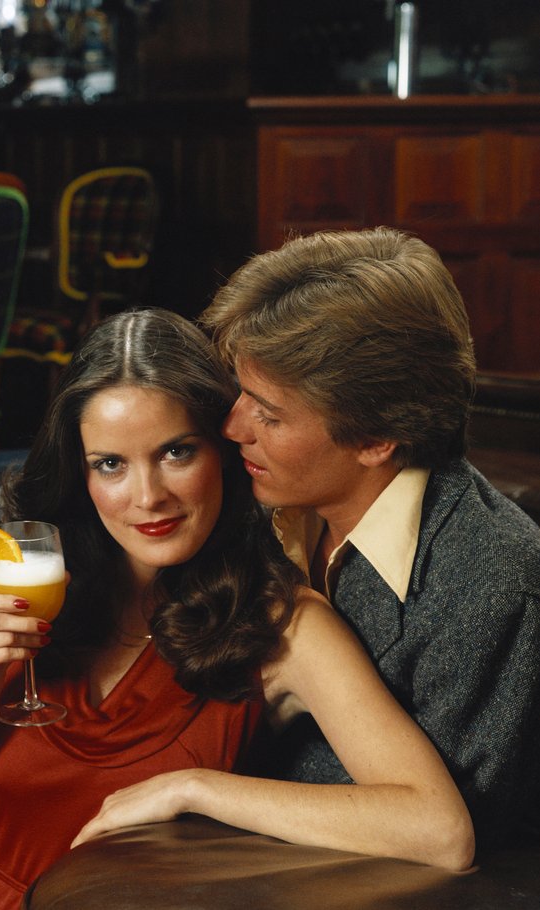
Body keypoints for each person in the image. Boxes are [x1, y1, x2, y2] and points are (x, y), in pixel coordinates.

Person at [0, 308, 474, 910]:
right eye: (111, 464)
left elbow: (441, 831)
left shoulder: (284, 624)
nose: (148, 497)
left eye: (176, 452)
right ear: (80, 469)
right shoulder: (14, 583)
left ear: (225, 453)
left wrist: (196, 789)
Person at [199, 226, 540, 850]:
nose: (233, 427)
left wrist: (198, 784)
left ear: (375, 440)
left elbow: (452, 839)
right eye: (242, 395)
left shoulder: (493, 581)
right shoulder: (267, 501)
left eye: (268, 414)